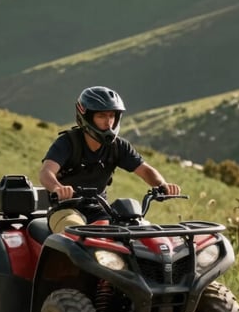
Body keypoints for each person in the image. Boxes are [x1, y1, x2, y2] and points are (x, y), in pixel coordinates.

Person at [39, 86, 180, 234]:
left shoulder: (118, 146)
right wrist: (57, 187)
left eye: (111, 116)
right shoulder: (67, 143)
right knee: (75, 233)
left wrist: (162, 184)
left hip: (100, 211)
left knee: (137, 232)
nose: (108, 122)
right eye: (101, 116)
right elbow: (46, 172)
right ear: (86, 117)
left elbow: (145, 171)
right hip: (65, 210)